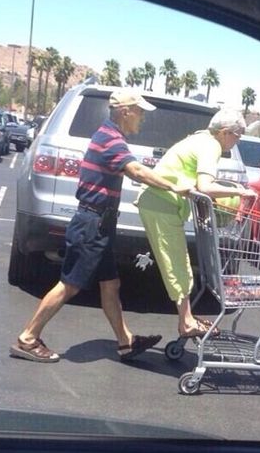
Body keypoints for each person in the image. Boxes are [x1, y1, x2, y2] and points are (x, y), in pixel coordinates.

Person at [10, 89, 191, 363]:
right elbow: (137, 171)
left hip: (100, 224)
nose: (142, 119)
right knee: (69, 285)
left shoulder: (110, 136)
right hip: (91, 224)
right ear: (125, 111)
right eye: (139, 112)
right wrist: (174, 186)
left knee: (111, 284)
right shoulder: (111, 139)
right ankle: (28, 338)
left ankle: (125, 341)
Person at [136, 109, 257, 338]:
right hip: (160, 204)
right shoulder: (211, 146)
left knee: (179, 262)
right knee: (176, 264)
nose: (238, 139)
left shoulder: (200, 139)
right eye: (237, 134)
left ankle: (187, 318)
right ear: (224, 132)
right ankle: (186, 323)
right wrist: (240, 191)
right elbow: (205, 186)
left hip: (160, 203)